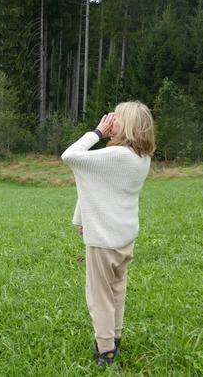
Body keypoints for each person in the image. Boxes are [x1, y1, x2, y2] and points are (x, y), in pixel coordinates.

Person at [61, 101, 155, 367]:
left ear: (128, 126)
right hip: (125, 237)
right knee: (117, 289)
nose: (111, 122)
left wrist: (98, 132)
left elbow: (70, 156)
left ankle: (106, 350)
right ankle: (115, 336)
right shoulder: (141, 157)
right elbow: (97, 186)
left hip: (103, 240)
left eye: (116, 119)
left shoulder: (115, 156)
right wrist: (81, 218)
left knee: (99, 295)